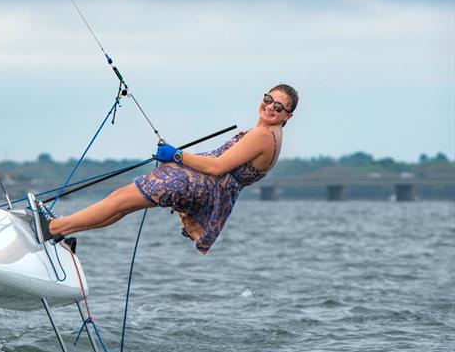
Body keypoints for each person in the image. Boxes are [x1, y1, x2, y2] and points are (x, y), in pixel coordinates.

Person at [28, 84, 298, 254]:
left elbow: (217, 168)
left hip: (195, 184)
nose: (269, 107)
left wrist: (177, 155)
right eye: (268, 98)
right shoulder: (267, 134)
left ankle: (51, 228)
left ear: (287, 116)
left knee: (119, 199)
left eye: (279, 106)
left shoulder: (264, 136)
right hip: (200, 186)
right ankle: (62, 231)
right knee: (122, 205)